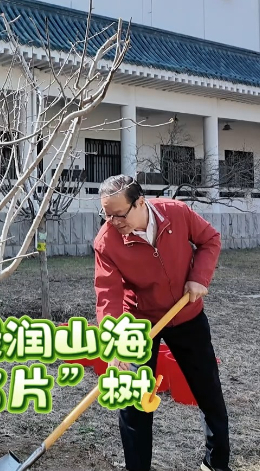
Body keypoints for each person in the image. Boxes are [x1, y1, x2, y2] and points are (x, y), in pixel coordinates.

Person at [92, 174, 230, 471]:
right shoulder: (106, 242)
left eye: (118, 214)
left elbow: (210, 240)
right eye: (106, 215)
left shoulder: (176, 213)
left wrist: (198, 277)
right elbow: (108, 296)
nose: (112, 222)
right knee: (134, 403)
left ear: (140, 202)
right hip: (138, 323)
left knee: (207, 390)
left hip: (186, 314)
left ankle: (216, 463)